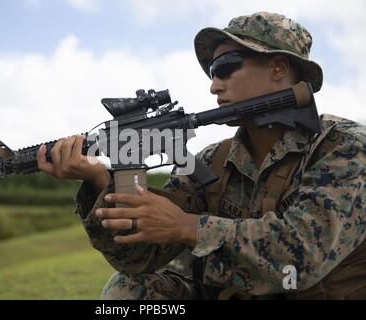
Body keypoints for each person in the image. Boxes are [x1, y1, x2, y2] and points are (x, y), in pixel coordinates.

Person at [37, 12, 366, 299]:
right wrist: (98, 181)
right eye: (211, 72)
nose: (214, 86)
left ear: (278, 67)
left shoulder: (344, 149)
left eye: (225, 67)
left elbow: (302, 254)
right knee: (129, 288)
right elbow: (138, 257)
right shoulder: (213, 161)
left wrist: (186, 226)